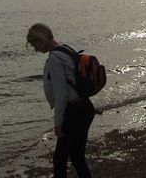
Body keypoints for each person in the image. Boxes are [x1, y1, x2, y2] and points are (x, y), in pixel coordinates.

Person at [26, 23, 95, 178]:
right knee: (77, 157)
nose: (35, 49)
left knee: (60, 159)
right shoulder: (65, 49)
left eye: (35, 45)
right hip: (85, 107)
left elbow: (61, 94)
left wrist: (58, 124)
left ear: (41, 40)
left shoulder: (55, 59)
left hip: (74, 112)